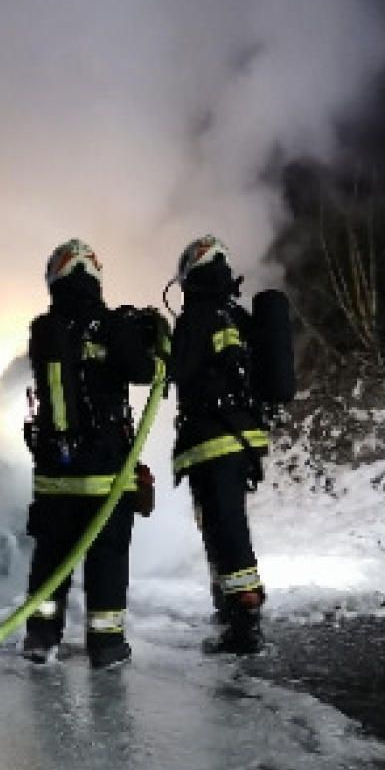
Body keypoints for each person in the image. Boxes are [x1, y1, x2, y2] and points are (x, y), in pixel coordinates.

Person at [21, 239, 166, 670]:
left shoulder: (44, 329)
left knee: (51, 560)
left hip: (54, 474)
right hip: (106, 474)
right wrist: (150, 337)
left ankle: (40, 638)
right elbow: (147, 372)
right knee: (107, 559)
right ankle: (106, 645)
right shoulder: (114, 325)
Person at [168, 235, 270, 655]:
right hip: (243, 436)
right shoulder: (237, 316)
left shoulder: (196, 316)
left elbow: (179, 369)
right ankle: (232, 611)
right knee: (227, 525)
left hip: (211, 437)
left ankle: (244, 624)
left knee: (224, 529)